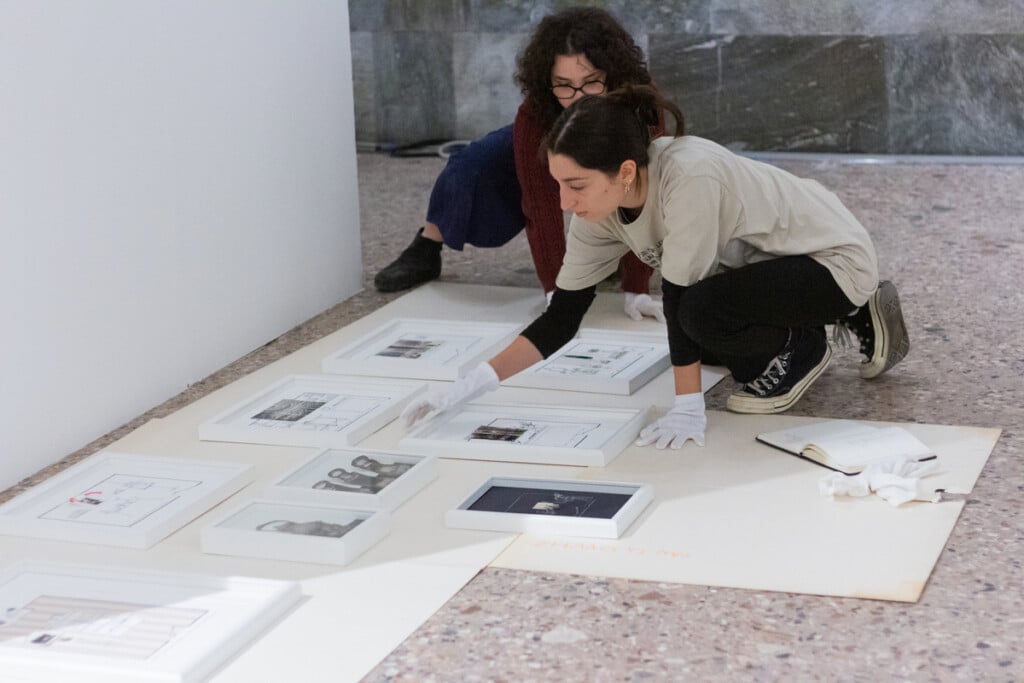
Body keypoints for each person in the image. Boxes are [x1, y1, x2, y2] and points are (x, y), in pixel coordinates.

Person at [401, 85, 911, 449]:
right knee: (702, 337)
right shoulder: (599, 213)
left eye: (575, 185)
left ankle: (804, 345)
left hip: (830, 259)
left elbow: (683, 298)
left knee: (700, 313)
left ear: (625, 173)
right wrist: (466, 387)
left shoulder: (688, 178)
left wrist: (686, 409)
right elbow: (561, 318)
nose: (563, 202)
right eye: (558, 184)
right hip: (766, 266)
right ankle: (823, 321)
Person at [373, 7, 664, 323]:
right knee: (471, 164)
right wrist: (556, 292)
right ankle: (428, 244)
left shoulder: (640, 100)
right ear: (547, 82)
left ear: (613, 74)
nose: (579, 97)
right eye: (564, 85)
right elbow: (540, 207)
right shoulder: (535, 114)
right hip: (548, 141)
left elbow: (641, 192)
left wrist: (637, 285)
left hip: (613, 154)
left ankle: (611, 257)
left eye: (592, 82)